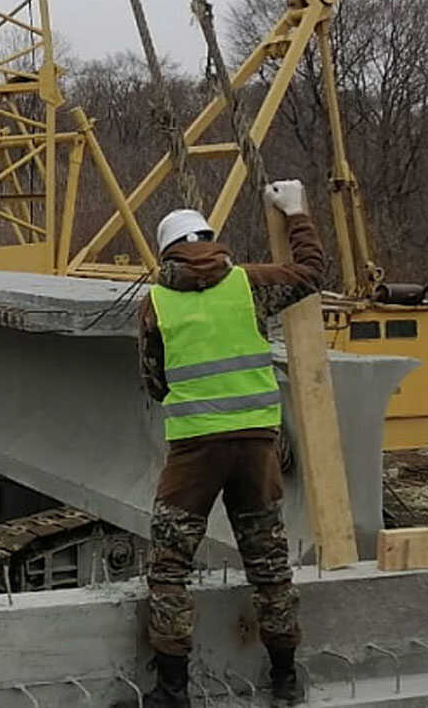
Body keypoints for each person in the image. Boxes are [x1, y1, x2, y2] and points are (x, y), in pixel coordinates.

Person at [133, 180, 322, 707]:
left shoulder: (156, 304)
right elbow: (310, 272)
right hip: (256, 451)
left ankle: (173, 692)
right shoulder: (249, 284)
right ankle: (285, 681)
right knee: (269, 566)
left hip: (195, 451)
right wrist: (296, 213)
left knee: (170, 568)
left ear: (166, 251)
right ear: (210, 240)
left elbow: (155, 381)